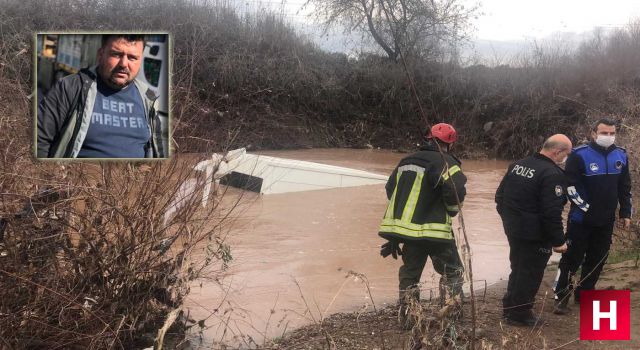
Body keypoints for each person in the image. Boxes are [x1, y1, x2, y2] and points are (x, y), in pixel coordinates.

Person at [378, 123, 467, 328]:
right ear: (450, 144)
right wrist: (452, 210)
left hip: (407, 232)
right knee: (452, 272)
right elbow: (456, 191)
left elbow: (391, 188)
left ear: (427, 139)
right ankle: (451, 318)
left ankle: (408, 318)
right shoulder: (447, 162)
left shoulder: (405, 161)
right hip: (436, 234)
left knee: (410, 273)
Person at [37, 34, 166, 158]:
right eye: (116, 54)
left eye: (132, 58)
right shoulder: (70, 88)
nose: (123, 64)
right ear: (100, 54)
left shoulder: (148, 99)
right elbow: (39, 141)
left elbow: (158, 153)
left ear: (140, 60)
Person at [553, 119, 632, 314]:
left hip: (606, 220)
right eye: (604, 132)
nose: (608, 136)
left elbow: (625, 187)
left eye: (612, 133)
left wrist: (625, 212)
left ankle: (585, 293)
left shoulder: (620, 155)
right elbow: (570, 188)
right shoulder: (579, 155)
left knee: (598, 258)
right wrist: (586, 207)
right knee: (572, 258)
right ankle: (561, 296)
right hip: (581, 219)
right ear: (594, 133)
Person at [495, 134, 571, 327]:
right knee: (530, 273)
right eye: (566, 154)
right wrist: (558, 241)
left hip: (513, 229)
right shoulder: (552, 174)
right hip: (536, 234)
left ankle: (510, 307)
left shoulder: (518, 164)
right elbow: (551, 212)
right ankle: (520, 313)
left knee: (518, 267)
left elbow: (500, 198)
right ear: (557, 151)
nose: (565, 158)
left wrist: (509, 222)